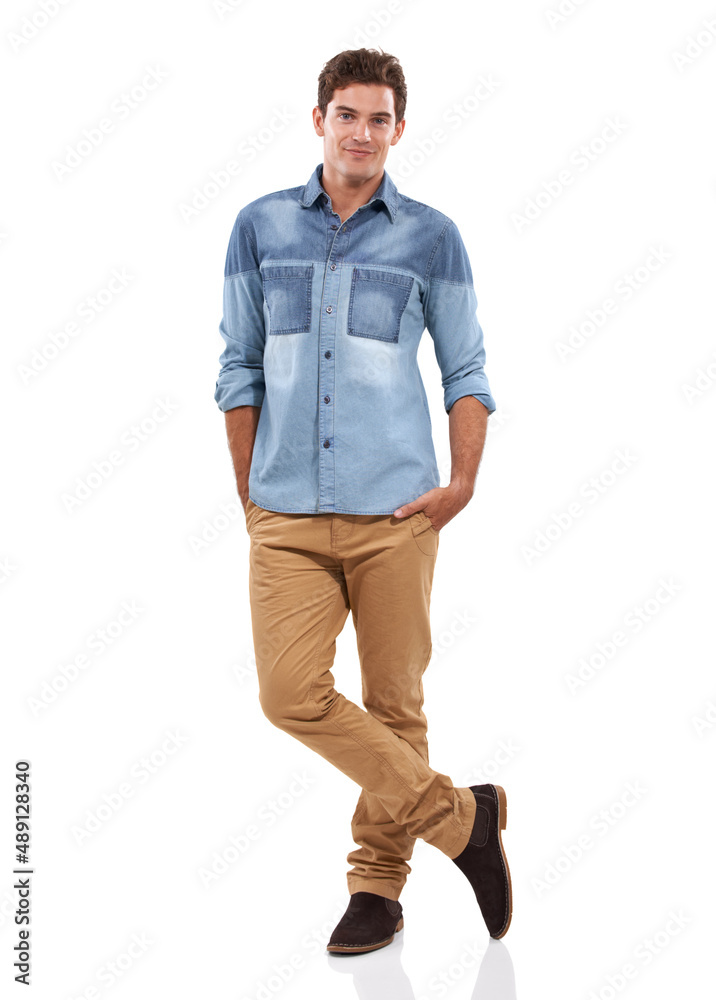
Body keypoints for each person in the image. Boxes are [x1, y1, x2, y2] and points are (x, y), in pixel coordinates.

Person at [214, 47, 512, 954]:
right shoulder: (260, 227)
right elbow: (238, 365)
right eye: (347, 114)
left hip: (397, 513)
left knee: (395, 703)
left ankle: (377, 887)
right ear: (319, 121)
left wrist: (459, 485)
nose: (362, 132)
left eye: (379, 118)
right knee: (288, 693)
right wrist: (248, 490)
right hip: (286, 517)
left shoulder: (431, 236)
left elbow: (466, 370)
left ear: (399, 129)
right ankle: (466, 822)